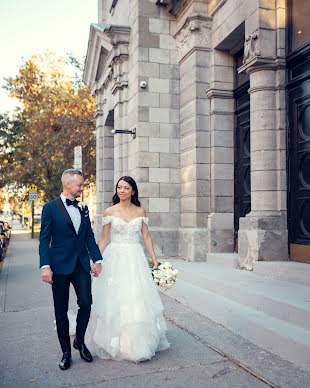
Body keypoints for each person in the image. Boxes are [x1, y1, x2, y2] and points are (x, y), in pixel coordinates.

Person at [85, 176, 170, 362]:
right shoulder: (109, 211)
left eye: (126, 187)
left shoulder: (140, 211)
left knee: (136, 297)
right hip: (114, 258)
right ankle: (113, 339)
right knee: (114, 298)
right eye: (119, 187)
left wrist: (154, 259)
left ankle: (137, 342)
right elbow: (103, 239)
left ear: (133, 191)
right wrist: (96, 260)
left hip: (135, 258)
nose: (121, 190)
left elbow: (146, 236)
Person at [39, 169, 103, 370]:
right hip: (58, 266)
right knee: (61, 310)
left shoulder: (84, 208)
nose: (82, 188)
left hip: (81, 264)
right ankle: (66, 352)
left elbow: (89, 237)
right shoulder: (50, 208)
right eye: (80, 185)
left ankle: (80, 341)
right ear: (68, 185)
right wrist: (45, 266)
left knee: (86, 303)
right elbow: (44, 240)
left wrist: (97, 259)